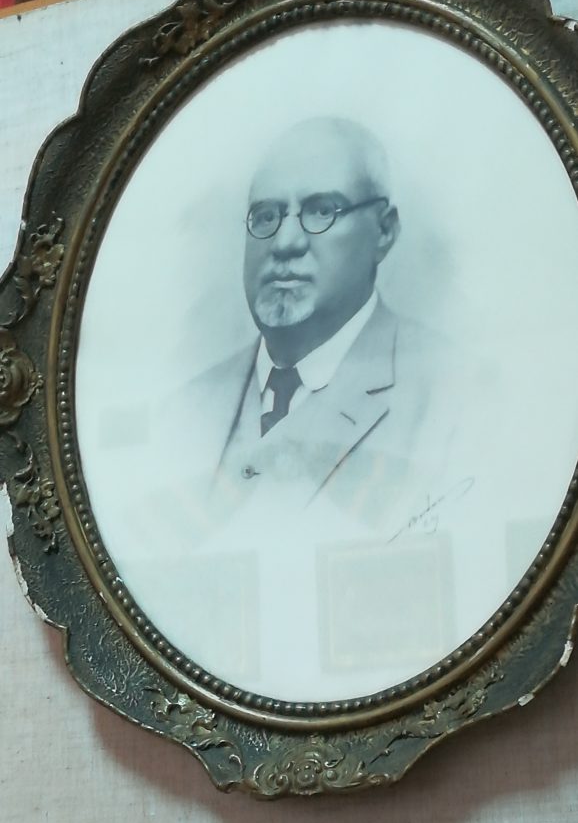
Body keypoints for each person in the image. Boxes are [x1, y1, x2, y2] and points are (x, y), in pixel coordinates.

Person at [170, 116, 462, 537]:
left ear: (384, 231)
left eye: (322, 210)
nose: (285, 243)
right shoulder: (183, 408)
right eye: (266, 216)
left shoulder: (457, 399)